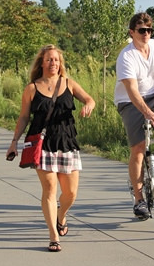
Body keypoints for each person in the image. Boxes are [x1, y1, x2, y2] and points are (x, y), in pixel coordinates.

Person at [6, 44, 95, 253]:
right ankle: (53, 236)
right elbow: (24, 117)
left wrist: (89, 104)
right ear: (42, 63)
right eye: (49, 59)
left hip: (67, 142)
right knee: (49, 190)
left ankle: (61, 216)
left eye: (56, 59)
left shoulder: (69, 83)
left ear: (60, 63)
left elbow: (89, 98)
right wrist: (14, 141)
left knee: (71, 193)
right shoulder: (31, 88)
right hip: (42, 144)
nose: (53, 63)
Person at [114, 12, 154, 221]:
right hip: (130, 101)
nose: (146, 34)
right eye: (142, 30)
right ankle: (139, 199)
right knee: (138, 148)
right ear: (132, 33)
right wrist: (147, 113)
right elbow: (131, 90)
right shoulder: (126, 56)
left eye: (149, 30)